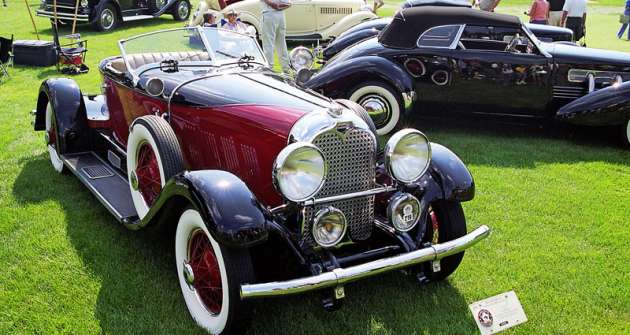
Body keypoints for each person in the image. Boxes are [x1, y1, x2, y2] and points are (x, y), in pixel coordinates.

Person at [260, 0, 291, 73]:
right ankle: (286, 68)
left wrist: (272, 3)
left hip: (269, 12)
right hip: (280, 13)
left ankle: (269, 69)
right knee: (281, 43)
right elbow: (288, 4)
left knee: (268, 44)